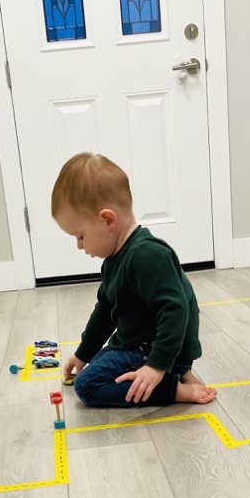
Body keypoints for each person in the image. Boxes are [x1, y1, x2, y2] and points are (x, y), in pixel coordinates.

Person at [51, 152, 217, 408]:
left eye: (81, 236)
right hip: (141, 344)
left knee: (87, 386)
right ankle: (177, 374)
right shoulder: (114, 260)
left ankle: (173, 389)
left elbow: (175, 310)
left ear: (108, 220)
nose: (79, 245)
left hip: (153, 350)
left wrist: (156, 366)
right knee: (95, 365)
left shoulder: (147, 255)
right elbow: (104, 312)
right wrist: (83, 353)